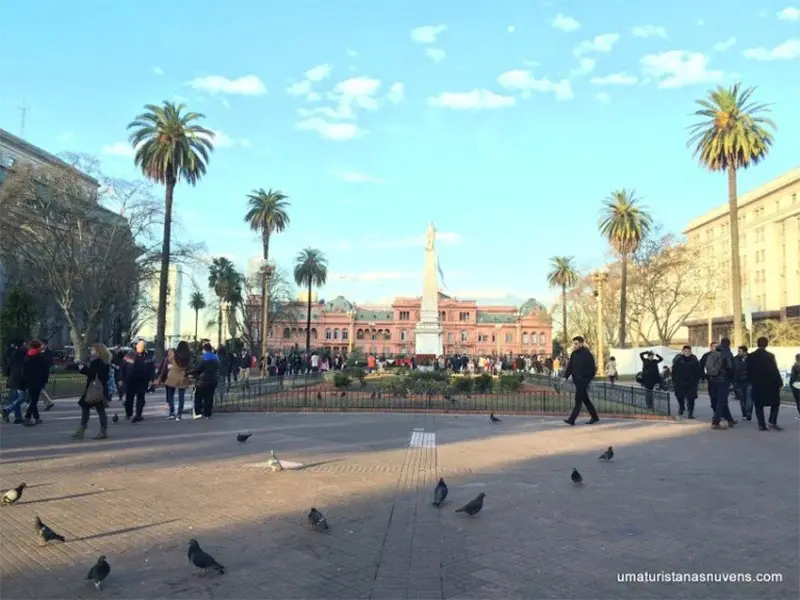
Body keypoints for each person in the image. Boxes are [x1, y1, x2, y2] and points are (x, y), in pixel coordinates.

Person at [71, 344, 111, 440]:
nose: (91, 352)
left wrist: (82, 369)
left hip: (95, 390)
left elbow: (94, 373)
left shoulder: (98, 362)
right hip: (96, 389)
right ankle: (82, 429)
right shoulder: (102, 362)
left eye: (93, 350)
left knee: (99, 409)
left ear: (98, 352)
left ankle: (100, 431)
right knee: (86, 406)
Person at [747, 337, 783, 432]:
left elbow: (748, 370)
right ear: (766, 344)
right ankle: (772, 421)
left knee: (758, 404)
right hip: (770, 384)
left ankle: (761, 424)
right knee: (775, 403)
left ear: (757, 344)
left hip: (757, 384)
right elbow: (774, 370)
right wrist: (779, 382)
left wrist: (751, 381)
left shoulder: (751, 356)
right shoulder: (770, 356)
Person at [563, 336, 599, 426]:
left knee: (578, 400)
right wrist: (565, 377)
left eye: (576, 344)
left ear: (581, 343)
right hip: (576, 380)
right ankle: (594, 416)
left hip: (583, 381)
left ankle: (572, 419)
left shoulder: (587, 354)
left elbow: (592, 369)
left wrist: (586, 378)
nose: (574, 345)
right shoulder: (574, 354)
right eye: (574, 344)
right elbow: (570, 366)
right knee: (585, 400)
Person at [706, 337, 736, 430]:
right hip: (723, 380)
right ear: (729, 344)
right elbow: (731, 367)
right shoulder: (728, 353)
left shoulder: (713, 353)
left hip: (712, 380)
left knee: (721, 401)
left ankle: (730, 419)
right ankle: (715, 422)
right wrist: (732, 380)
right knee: (721, 401)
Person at [121, 341, 155, 423]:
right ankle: (129, 413)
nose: (141, 348)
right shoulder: (129, 355)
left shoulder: (148, 356)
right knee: (129, 398)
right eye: (140, 346)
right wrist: (121, 379)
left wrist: (151, 379)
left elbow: (151, 369)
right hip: (130, 380)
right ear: (136, 347)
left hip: (142, 380)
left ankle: (138, 415)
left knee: (140, 398)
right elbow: (122, 367)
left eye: (143, 347)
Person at [22, 340, 50, 426]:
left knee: (33, 399)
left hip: (29, 381)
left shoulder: (27, 356)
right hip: (38, 381)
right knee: (34, 400)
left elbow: (23, 370)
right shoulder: (40, 357)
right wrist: (45, 380)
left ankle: (37, 418)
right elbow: (45, 370)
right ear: (38, 347)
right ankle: (27, 417)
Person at [164, 342, 192, 420]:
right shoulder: (188, 356)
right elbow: (190, 367)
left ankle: (172, 412)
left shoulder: (174, 355)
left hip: (173, 376)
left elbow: (169, 360)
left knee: (170, 396)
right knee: (181, 397)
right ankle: (179, 414)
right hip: (183, 378)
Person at [191, 343, 220, 419]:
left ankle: (198, 412)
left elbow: (198, 369)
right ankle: (208, 414)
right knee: (209, 397)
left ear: (204, 350)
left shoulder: (203, 358)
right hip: (213, 380)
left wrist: (190, 373)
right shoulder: (216, 358)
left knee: (199, 397)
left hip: (202, 381)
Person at [2, 342, 27, 424]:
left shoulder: (11, 354)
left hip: (11, 379)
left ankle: (18, 417)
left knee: (15, 398)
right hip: (18, 380)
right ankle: (7, 410)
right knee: (23, 397)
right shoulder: (22, 354)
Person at [672, 346, 701, 418]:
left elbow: (698, 371)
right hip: (680, 382)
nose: (687, 353)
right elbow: (674, 371)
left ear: (691, 352)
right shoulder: (678, 360)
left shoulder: (694, 360)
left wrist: (697, 380)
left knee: (691, 398)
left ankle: (690, 414)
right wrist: (674, 381)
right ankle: (681, 407)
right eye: (685, 351)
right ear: (682, 351)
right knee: (680, 396)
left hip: (691, 383)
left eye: (689, 351)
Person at [732, 345, 752, 421]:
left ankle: (749, 412)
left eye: (740, 351)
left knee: (749, 398)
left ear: (745, 352)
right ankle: (744, 413)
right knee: (742, 399)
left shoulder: (751, 359)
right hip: (739, 381)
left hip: (749, 381)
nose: (738, 353)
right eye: (738, 351)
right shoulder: (736, 359)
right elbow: (734, 370)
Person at [790, 353, 800, 420]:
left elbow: (793, 377)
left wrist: (791, 384)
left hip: (796, 385)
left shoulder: (795, 366)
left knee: (798, 401)